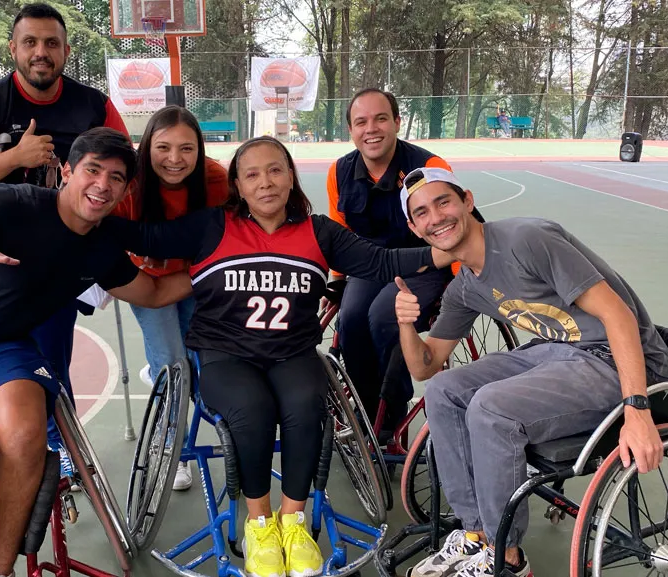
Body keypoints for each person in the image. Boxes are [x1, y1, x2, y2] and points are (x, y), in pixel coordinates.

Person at [105, 136, 450, 577]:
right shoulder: (211, 227)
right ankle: (259, 523)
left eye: (274, 170)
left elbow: (381, 261)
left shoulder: (319, 231)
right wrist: (73, 218)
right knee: (253, 410)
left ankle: (293, 521)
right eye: (252, 174)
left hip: (292, 352)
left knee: (307, 406)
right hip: (225, 355)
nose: (265, 182)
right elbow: (140, 234)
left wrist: (450, 250)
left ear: (290, 176)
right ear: (238, 186)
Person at [0, 128, 191, 577]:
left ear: (125, 190)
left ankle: (0, 569)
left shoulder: (102, 248)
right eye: (92, 170)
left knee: (26, 440)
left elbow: (155, 292)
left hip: (5, 351)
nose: (102, 185)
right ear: (67, 172)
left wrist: (223, 267)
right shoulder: (11, 204)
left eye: (116, 178)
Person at [394, 167, 668, 577]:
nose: (435, 217)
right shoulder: (466, 286)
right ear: (415, 228)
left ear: (467, 201)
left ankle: (506, 558)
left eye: (443, 202)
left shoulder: (526, 240)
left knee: (491, 408)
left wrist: (637, 410)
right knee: (444, 391)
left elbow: (619, 314)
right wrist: (404, 323)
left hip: (614, 358)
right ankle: (476, 535)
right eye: (422, 213)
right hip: (559, 352)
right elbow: (426, 366)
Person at [0, 2, 131, 482]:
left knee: (48, 357)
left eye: (51, 43)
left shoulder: (93, 106)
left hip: (59, 258)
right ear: (14, 49)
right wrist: (16, 157)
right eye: (31, 43)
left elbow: (125, 169)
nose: (41, 52)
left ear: (66, 50)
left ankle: (53, 442)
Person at [326, 88, 477, 436]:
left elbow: (456, 226)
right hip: (371, 266)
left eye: (380, 119)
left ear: (396, 122)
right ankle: (366, 411)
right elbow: (340, 231)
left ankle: (391, 409)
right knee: (350, 320)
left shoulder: (431, 167)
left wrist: (461, 283)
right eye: (360, 122)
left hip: (426, 264)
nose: (371, 129)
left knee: (385, 315)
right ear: (351, 130)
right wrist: (336, 278)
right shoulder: (340, 172)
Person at [111, 105, 230, 491]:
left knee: (205, 357)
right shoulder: (129, 184)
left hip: (195, 277)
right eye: (163, 147)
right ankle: (174, 450)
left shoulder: (215, 180)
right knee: (172, 363)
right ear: (146, 147)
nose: (175, 159)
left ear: (200, 151)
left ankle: (164, 371)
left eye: (187, 149)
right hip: (150, 282)